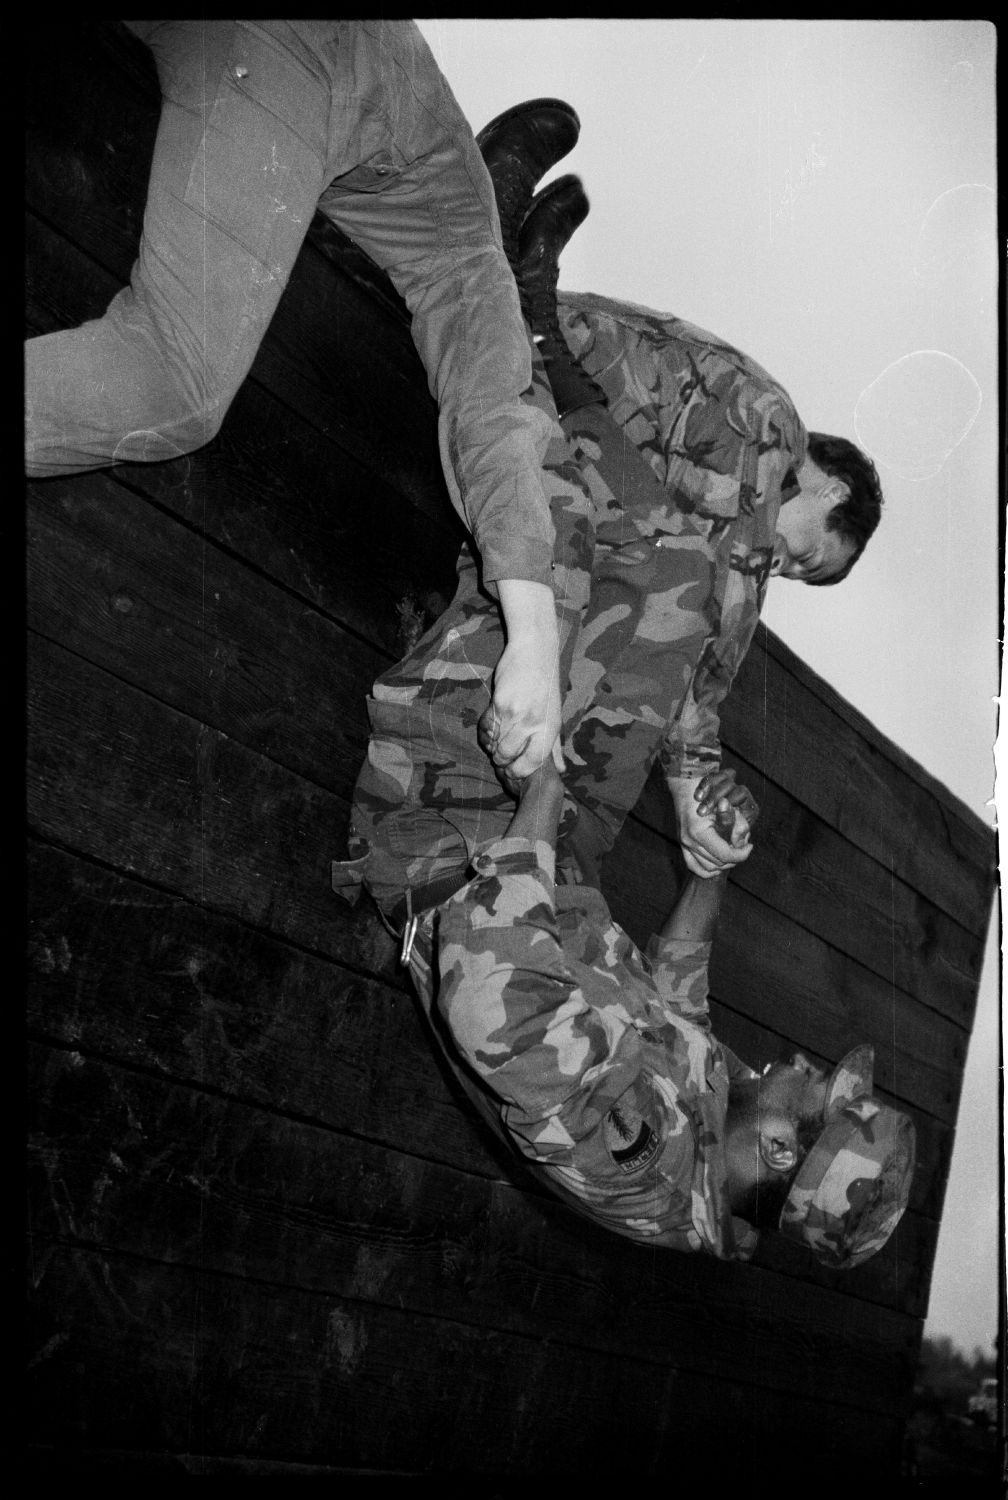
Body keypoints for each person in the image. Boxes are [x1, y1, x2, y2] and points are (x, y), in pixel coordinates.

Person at [24, 24, 586, 785]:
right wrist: (535, 638)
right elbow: (492, 411)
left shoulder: (424, 149)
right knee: (174, 381)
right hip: (303, 52)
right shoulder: (468, 252)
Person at [351, 747, 916, 1266]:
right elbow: (677, 1010)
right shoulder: (728, 1133)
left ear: (779, 1148)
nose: (800, 1060)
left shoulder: (648, 1165)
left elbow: (499, 999)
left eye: (816, 1082)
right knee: (662, 663)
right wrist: (712, 866)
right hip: (544, 864)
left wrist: (543, 789)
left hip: (443, 856)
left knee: (561, 657)